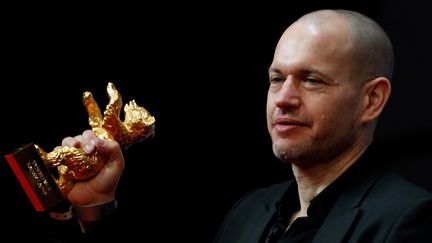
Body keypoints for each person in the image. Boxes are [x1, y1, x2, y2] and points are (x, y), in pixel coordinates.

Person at [46, 9, 432, 242]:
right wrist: (96, 206)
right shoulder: (250, 211)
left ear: (372, 100)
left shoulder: (408, 219)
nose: (284, 98)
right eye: (276, 79)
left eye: (312, 80)